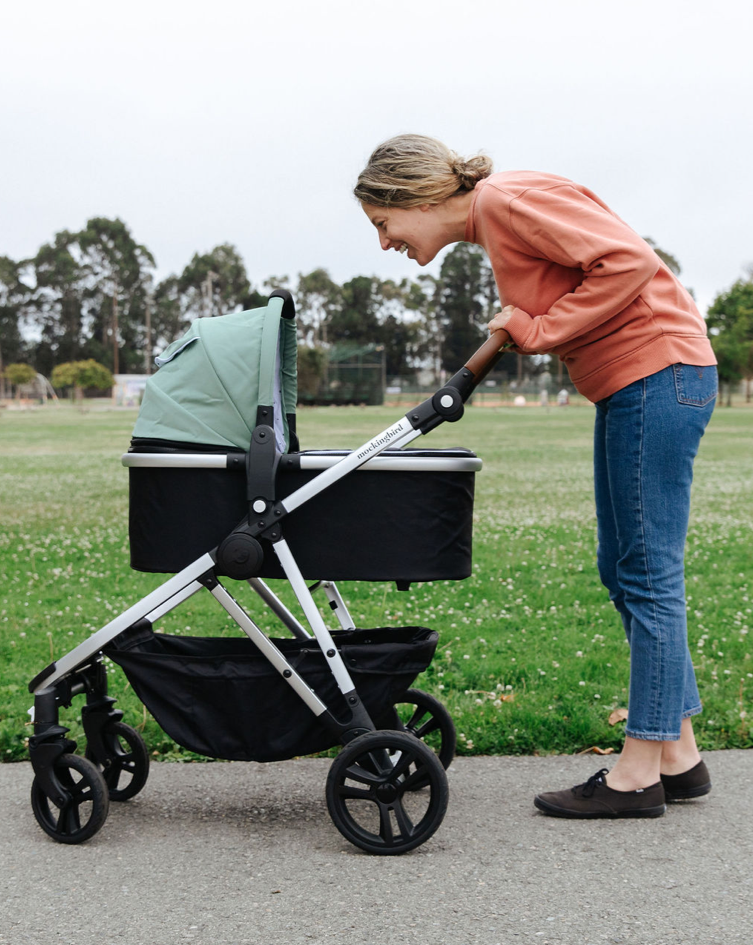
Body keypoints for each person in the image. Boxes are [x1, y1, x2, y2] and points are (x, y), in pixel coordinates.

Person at [354, 134, 717, 819]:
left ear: (417, 196)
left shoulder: (503, 199)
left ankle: (637, 773)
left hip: (657, 375)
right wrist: (532, 322)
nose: (384, 243)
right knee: (625, 569)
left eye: (383, 223)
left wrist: (540, 327)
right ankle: (679, 754)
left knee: (646, 575)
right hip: (638, 382)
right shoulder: (498, 215)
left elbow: (627, 261)